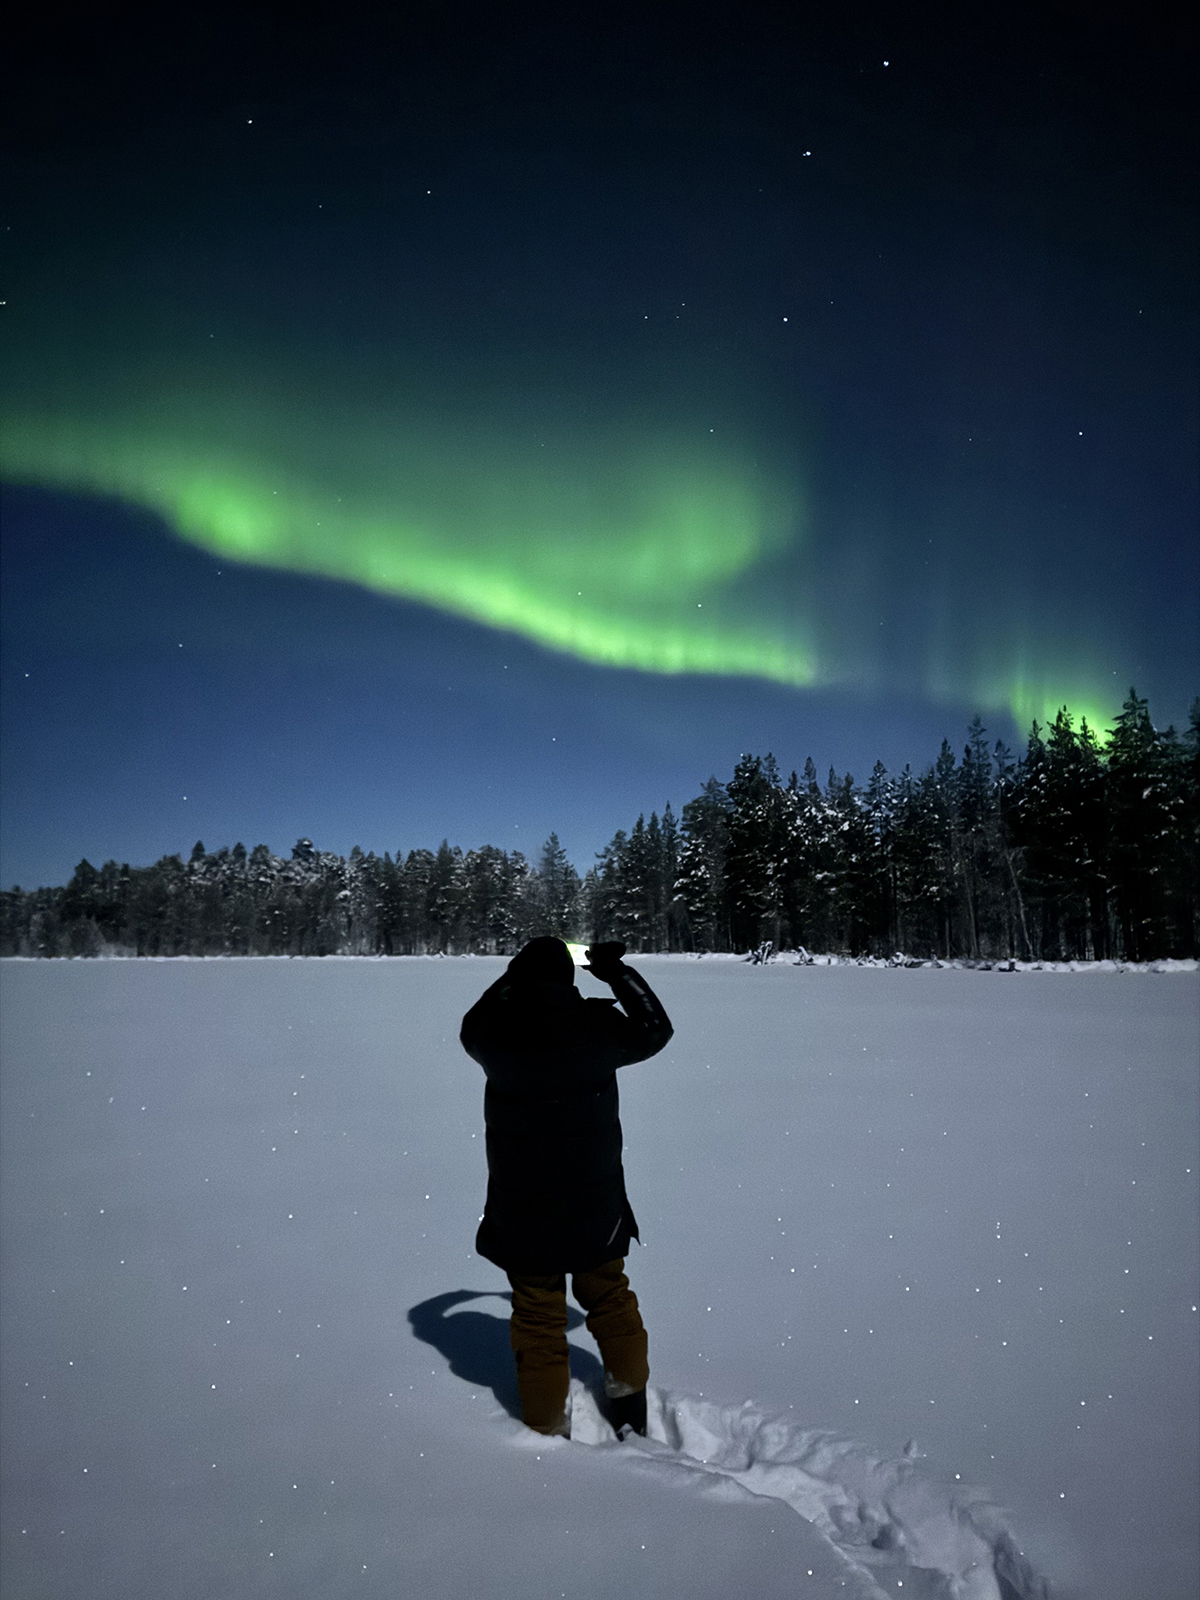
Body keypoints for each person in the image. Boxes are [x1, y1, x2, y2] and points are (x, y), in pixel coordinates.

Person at [460, 936, 673, 1439]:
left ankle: (546, 1429)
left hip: (522, 1208)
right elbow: (656, 1029)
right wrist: (615, 973)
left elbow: (471, 1024)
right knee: (610, 1298)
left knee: (537, 1317)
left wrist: (514, 978)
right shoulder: (597, 1026)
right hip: (594, 1203)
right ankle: (628, 1404)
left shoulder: (497, 1034)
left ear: (519, 977)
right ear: (568, 978)